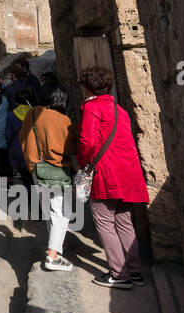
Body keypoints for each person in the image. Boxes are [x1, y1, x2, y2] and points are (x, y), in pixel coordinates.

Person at [75, 65, 150, 288]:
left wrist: (83, 164)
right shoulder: (119, 109)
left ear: (87, 87)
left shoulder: (92, 109)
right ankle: (134, 270)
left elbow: (87, 142)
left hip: (106, 174)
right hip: (127, 173)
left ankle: (119, 274)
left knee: (104, 222)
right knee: (125, 221)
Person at [19, 86, 78, 271]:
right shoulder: (62, 120)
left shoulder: (32, 114)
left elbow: (22, 138)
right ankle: (53, 256)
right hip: (58, 171)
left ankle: (58, 244)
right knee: (62, 212)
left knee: (50, 210)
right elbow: (70, 148)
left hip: (37, 169)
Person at [5, 88, 36, 186]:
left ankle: (32, 199)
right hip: (36, 153)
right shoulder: (36, 113)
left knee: (26, 180)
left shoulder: (11, 115)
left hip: (19, 152)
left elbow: (8, 135)